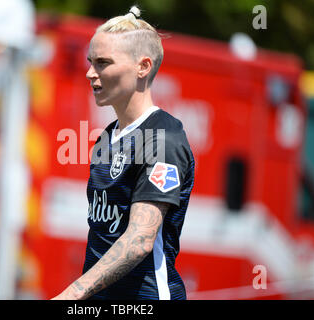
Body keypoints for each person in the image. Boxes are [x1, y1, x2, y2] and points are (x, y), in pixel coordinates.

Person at [52, 6, 195, 300]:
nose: (90, 73)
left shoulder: (163, 137)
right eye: (90, 61)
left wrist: (73, 293)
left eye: (103, 63)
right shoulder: (107, 136)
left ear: (143, 67)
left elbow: (140, 240)